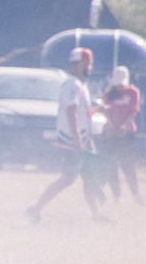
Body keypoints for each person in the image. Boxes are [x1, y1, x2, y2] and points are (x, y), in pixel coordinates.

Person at [29, 46, 108, 223]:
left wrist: (97, 110)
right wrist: (78, 141)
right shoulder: (71, 85)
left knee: (89, 177)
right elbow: (71, 112)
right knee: (68, 178)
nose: (89, 67)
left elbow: (82, 113)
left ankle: (96, 214)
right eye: (88, 63)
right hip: (73, 140)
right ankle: (36, 208)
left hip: (83, 138)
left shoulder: (79, 84)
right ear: (80, 64)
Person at [102, 64, 141, 200]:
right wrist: (111, 124)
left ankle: (135, 193)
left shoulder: (133, 92)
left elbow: (133, 111)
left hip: (127, 133)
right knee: (111, 164)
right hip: (111, 133)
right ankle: (116, 194)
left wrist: (125, 125)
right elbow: (106, 110)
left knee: (127, 164)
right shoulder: (108, 93)